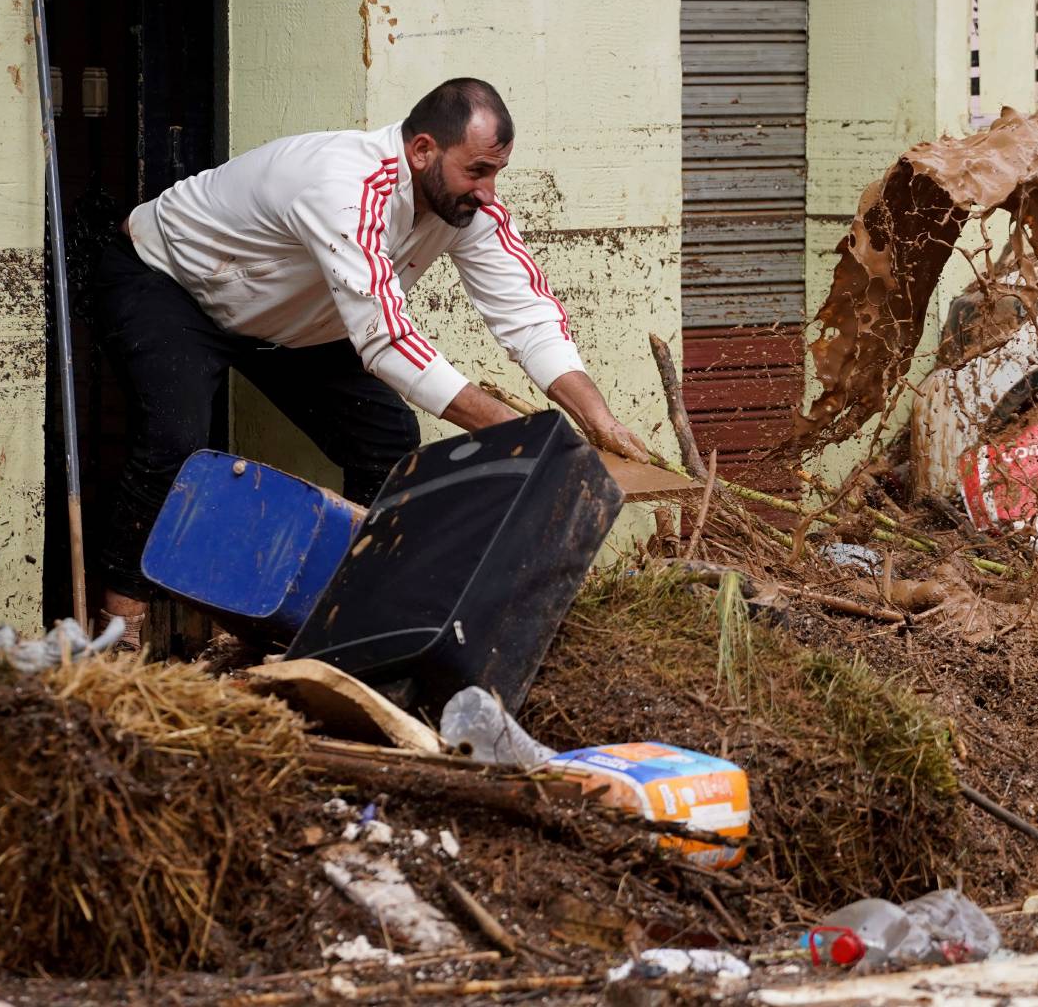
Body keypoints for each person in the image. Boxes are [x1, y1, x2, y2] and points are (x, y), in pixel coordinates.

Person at [92, 77, 649, 647]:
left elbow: (527, 315)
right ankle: (118, 634)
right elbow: (385, 339)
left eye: (496, 172)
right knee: (174, 440)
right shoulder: (345, 184)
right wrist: (523, 436)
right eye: (477, 170)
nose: (488, 190)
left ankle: (349, 617)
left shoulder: (468, 207)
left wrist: (598, 421)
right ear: (423, 149)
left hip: (288, 318)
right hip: (168, 283)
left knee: (386, 440)